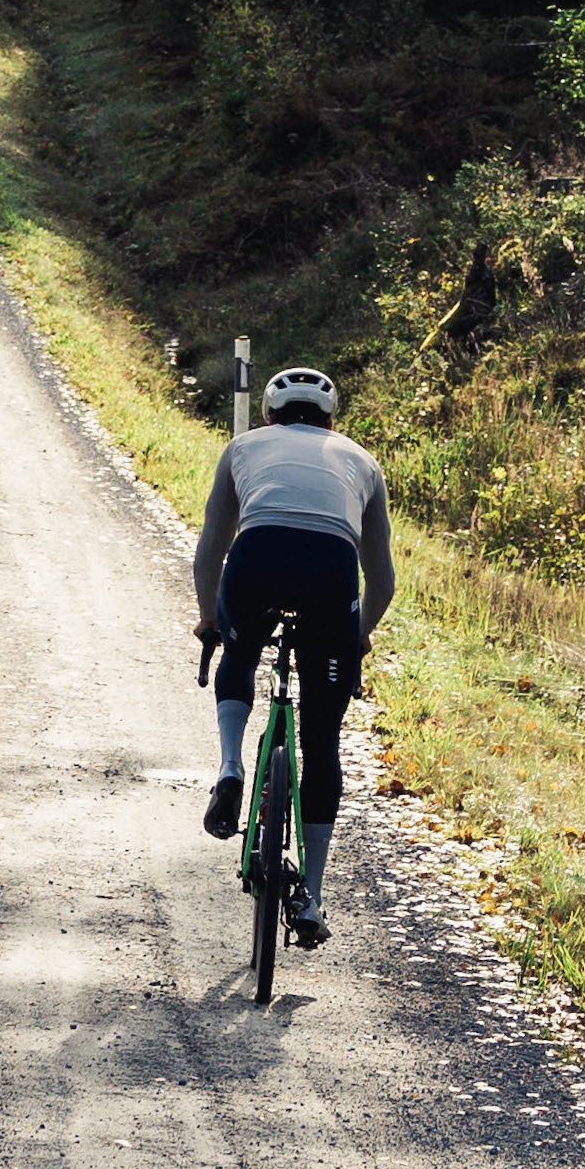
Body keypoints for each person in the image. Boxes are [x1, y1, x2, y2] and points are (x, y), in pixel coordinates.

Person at [190, 364, 395, 948]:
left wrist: (212, 619)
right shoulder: (361, 460)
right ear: (333, 419)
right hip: (330, 575)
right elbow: (381, 579)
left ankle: (231, 768)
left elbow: (211, 550)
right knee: (322, 743)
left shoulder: (242, 447)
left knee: (240, 646)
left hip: (256, 559)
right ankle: (311, 897)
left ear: (269, 415)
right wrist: (357, 635)